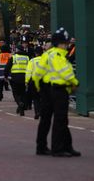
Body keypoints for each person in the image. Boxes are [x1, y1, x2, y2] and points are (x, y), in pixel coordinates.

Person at [33, 28, 80, 157]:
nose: (67, 45)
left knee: (47, 120)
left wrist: (38, 88)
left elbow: (38, 73)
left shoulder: (47, 54)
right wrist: (75, 82)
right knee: (61, 119)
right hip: (58, 89)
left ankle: (42, 146)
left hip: (45, 88)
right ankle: (59, 148)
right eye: (65, 42)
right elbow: (64, 71)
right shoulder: (58, 55)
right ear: (60, 43)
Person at [8, 45, 30, 116]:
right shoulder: (27, 57)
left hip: (15, 77)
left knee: (15, 93)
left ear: (17, 50)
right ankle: (21, 108)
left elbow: (8, 66)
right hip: (24, 77)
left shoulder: (14, 57)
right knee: (23, 93)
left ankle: (19, 103)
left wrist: (5, 75)